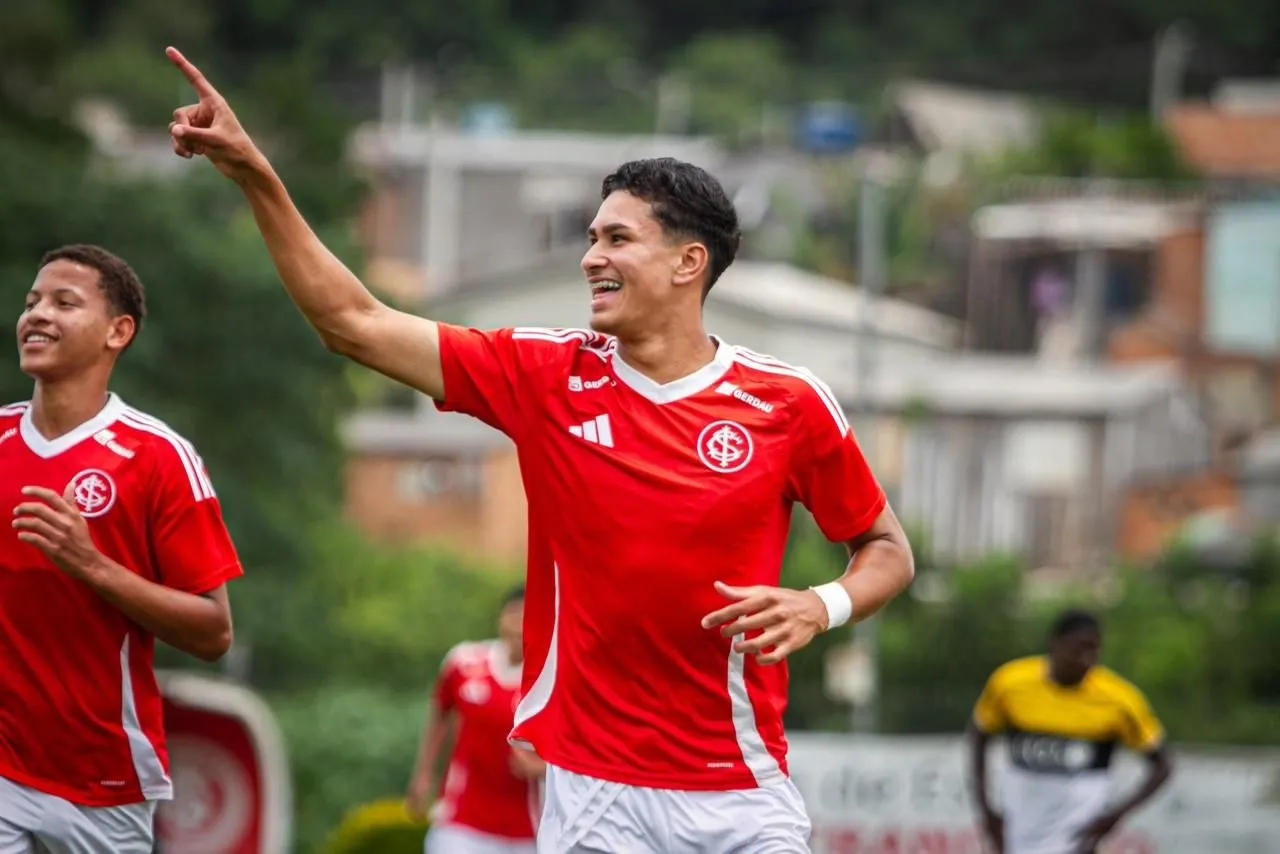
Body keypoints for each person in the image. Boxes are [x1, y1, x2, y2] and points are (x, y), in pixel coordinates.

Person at [165, 46, 914, 853]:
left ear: (688, 262)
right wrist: (254, 175)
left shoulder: (786, 402)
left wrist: (820, 603)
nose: (592, 256)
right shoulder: (545, 375)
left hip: (740, 789)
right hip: (596, 792)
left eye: (618, 239)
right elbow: (354, 322)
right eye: (592, 237)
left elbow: (886, 550)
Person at [1, 244, 243, 853]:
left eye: (64, 302)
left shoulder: (158, 458)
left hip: (103, 779)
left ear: (119, 331)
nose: (37, 316)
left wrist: (91, 566)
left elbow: (213, 632)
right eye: (31, 302)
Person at [966, 610, 1174, 854]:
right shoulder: (1010, 684)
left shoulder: (1119, 701)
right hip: (1020, 828)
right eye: (1079, 649)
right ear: (1055, 643)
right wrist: (986, 808)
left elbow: (1162, 765)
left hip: (1076, 836)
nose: (1086, 659)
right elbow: (979, 734)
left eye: (1094, 650)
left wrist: (1115, 816)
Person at [407, 586, 543, 854]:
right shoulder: (464, 663)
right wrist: (423, 773)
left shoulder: (547, 682)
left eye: (529, 617)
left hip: (526, 828)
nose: (519, 626)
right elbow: (439, 713)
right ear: (500, 617)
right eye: (514, 615)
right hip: (462, 817)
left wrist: (543, 767)